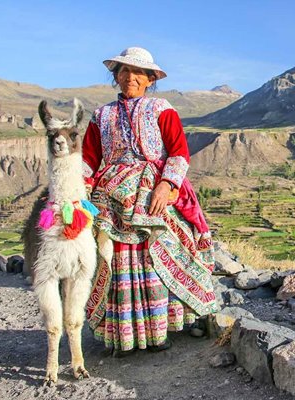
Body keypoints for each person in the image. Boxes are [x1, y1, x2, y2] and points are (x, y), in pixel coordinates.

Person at [82, 47, 217, 354]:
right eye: (124, 71)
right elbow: (89, 158)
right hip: (112, 191)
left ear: (150, 79)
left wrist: (167, 185)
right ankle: (122, 336)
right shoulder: (101, 116)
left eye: (139, 72)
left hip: (154, 182)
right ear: (116, 76)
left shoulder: (161, 109)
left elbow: (179, 151)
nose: (131, 77)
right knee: (113, 257)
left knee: (162, 246)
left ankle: (160, 329)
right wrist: (78, 187)